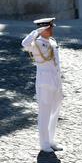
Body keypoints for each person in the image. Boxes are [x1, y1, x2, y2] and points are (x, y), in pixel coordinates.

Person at [21, 18, 64, 153]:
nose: (52, 30)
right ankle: (44, 144)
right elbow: (24, 43)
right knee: (45, 113)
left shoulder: (52, 42)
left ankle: (51, 140)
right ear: (43, 30)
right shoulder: (36, 43)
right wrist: (36, 31)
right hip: (44, 82)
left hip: (56, 81)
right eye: (49, 28)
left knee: (54, 112)